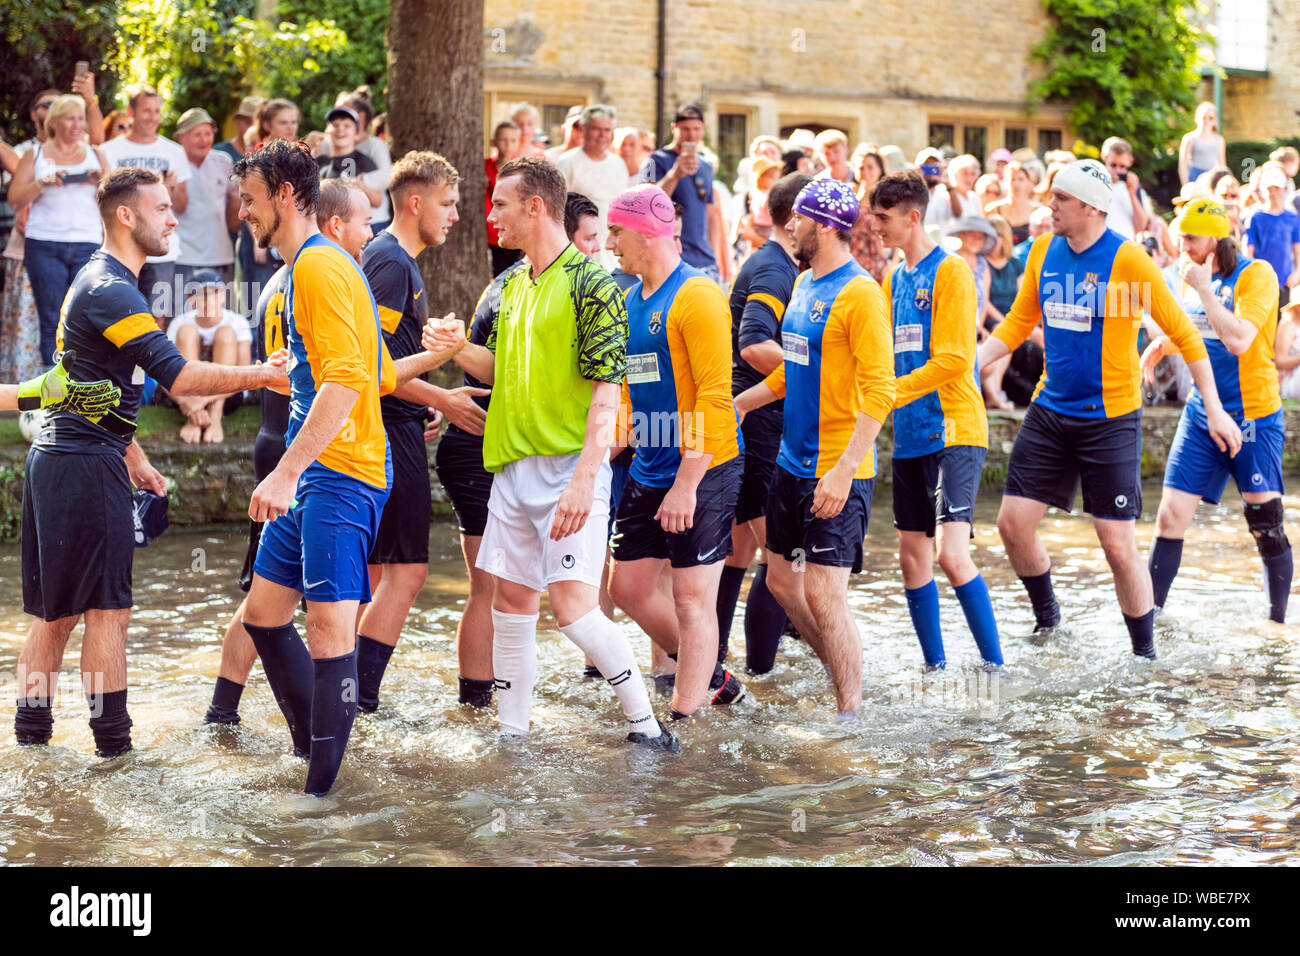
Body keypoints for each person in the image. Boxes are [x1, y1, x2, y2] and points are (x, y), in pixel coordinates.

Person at [14, 167, 288, 758]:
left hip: (60, 460)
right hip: (84, 468)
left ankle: (30, 744)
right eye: (163, 209)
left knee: (53, 616)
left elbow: (86, 384)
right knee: (107, 615)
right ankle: (113, 752)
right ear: (126, 216)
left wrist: (132, 452)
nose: (173, 219)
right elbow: (182, 376)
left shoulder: (92, 277)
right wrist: (262, 373)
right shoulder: (111, 287)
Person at [424, 156, 676, 749]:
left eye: (501, 205)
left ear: (535, 206)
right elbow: (500, 369)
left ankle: (646, 726)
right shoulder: (509, 283)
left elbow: (608, 392)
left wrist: (585, 478)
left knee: (573, 611)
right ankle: (513, 735)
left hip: (570, 468)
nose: (492, 217)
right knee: (512, 603)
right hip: (511, 468)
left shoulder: (593, 284)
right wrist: (459, 347)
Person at [232, 140, 455, 795]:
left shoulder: (319, 270)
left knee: (330, 624)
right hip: (318, 469)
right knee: (264, 616)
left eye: (250, 200)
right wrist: (437, 373)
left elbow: (345, 383)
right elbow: (378, 372)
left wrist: (285, 473)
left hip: (339, 473)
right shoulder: (325, 265)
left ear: (283, 194)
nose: (244, 213)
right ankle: (316, 749)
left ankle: (319, 799)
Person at [974, 159, 1241, 659]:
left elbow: (1184, 334)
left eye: (1060, 200)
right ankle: (1048, 621)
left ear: (1091, 208)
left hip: (1110, 418)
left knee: (1117, 546)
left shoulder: (1128, 260)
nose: (1048, 206)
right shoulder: (1041, 253)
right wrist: (970, 364)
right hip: (1051, 410)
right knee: (1011, 525)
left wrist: (1217, 409)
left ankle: (1145, 655)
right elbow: (1015, 324)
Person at [733, 179, 895, 717]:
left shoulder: (863, 294)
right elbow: (792, 373)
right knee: (781, 581)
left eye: (799, 219)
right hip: (790, 462)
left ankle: (851, 714)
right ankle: (844, 674)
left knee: (826, 594)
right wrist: (741, 404)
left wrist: (846, 471)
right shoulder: (802, 284)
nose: (790, 227)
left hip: (837, 467)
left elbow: (881, 391)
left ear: (824, 225)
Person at [601, 184, 745, 719]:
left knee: (690, 599)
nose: (610, 243)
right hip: (650, 461)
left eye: (616, 232)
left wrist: (687, 482)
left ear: (645, 232)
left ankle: (685, 721)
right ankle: (712, 676)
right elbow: (626, 392)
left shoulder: (699, 296)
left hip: (705, 467)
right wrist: (599, 453)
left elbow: (714, 395)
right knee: (629, 586)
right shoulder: (632, 299)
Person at [357, 152, 490, 713]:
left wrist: (424, 405)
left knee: (387, 570)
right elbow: (375, 363)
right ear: (415, 203)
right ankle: (357, 698)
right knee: (408, 573)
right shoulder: (390, 261)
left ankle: (351, 695)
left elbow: (396, 363)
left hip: (399, 423)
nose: (456, 215)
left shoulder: (398, 261)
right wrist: (442, 399)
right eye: (448, 203)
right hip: (386, 431)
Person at [869, 170, 1002, 670]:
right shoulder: (891, 277)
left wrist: (889, 393)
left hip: (954, 428)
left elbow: (952, 359)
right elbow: (884, 353)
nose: (875, 227)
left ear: (912, 216)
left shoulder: (951, 272)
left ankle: (994, 668)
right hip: (908, 435)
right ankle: (935, 668)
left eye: (883, 218)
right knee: (910, 558)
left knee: (951, 554)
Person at [1140, 198, 1290, 623]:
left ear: (1216, 238)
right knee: (1169, 516)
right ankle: (1148, 622)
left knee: (1265, 524)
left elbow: (1238, 339)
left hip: (1254, 416)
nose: (1182, 246)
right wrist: (1163, 343)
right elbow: (1196, 327)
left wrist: (1205, 288)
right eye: (1180, 236)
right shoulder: (1194, 277)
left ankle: (1276, 624)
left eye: (1191, 238)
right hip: (1202, 414)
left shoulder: (1256, 274)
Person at [720, 172, 810, 675]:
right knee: (783, 565)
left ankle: (717, 664)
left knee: (738, 553)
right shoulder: (776, 269)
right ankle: (760, 672)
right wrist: (816, 377)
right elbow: (754, 343)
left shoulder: (774, 262)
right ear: (795, 218)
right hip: (758, 421)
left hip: (749, 416)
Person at [7, 94, 108, 364]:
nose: (77, 124)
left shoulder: (96, 154)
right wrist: (42, 183)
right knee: (51, 315)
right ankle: (55, 389)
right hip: (44, 243)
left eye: (80, 118)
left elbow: (116, 200)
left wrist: (102, 183)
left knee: (84, 314)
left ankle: (82, 382)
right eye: (70, 118)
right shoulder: (35, 153)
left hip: (87, 242)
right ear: (54, 122)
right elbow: (15, 199)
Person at [98, 85, 191, 324]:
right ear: (131, 111)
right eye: (147, 111)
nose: (153, 117)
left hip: (161, 249)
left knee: (156, 318)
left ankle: (153, 363)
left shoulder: (174, 151)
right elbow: (101, 199)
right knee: (119, 314)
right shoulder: (109, 150)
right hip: (122, 247)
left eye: (157, 111)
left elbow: (182, 205)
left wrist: (171, 189)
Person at [639, 104, 725, 283]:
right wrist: (675, 175)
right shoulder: (653, 161)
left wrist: (715, 256)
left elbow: (711, 215)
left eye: (696, 129)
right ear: (674, 128)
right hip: (670, 255)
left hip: (704, 260)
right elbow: (647, 204)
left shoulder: (706, 166)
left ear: (703, 129)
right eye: (685, 129)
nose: (691, 134)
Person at [163, 269, 251, 443]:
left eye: (215, 293)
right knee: (187, 332)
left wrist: (202, 401)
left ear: (224, 297)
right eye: (202, 294)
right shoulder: (180, 323)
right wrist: (189, 404)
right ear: (191, 300)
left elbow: (246, 377)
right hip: (186, 398)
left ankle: (215, 416)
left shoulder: (237, 322)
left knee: (226, 333)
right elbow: (163, 372)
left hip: (226, 398)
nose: (209, 300)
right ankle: (195, 419)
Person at [173, 108, 239, 291]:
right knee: (183, 315)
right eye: (197, 135)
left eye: (208, 134)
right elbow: (178, 206)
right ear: (181, 137)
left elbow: (235, 214)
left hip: (220, 256)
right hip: (182, 257)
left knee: (221, 316)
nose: (204, 140)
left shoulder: (224, 161)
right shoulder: (172, 160)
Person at [556, 105, 629, 271]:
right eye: (597, 129)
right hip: (579, 248)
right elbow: (556, 208)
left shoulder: (618, 164)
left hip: (611, 248)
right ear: (584, 129)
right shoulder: (568, 162)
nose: (602, 135)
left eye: (607, 130)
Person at [315, 107, 387, 229]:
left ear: (356, 134)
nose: (340, 130)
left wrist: (359, 186)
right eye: (335, 125)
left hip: (353, 227)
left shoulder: (363, 161)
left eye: (347, 126)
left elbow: (378, 201)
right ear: (327, 131)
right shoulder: (319, 161)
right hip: (325, 226)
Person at [1245, 163, 1300, 312]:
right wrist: (1251, 276)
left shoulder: (1292, 217)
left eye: (1277, 188)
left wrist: (1297, 272)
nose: (1273, 192)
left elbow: (1297, 249)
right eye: (1269, 188)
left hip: (1284, 281)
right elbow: (1248, 250)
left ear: (1284, 189)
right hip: (1261, 281)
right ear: (1263, 190)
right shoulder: (1255, 217)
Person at [485, 120, 523, 275]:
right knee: (496, 273)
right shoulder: (485, 165)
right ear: (493, 142)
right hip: (491, 231)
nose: (508, 145)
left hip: (514, 228)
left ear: (518, 143)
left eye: (512, 140)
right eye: (503, 140)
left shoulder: (521, 168)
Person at [1101, 137, 1149, 240]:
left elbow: (1141, 227)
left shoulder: (1133, 185)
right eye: (1113, 165)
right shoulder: (1096, 182)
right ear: (1104, 158)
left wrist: (1132, 193)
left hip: (1125, 245)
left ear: (1130, 162)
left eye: (1122, 166)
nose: (1117, 171)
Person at [987, 160, 1040, 246]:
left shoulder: (1037, 210)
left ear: (1027, 181)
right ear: (1005, 181)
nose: (1016, 183)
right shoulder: (993, 209)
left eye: (1021, 179)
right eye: (1012, 179)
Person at [1178, 103, 1226, 186]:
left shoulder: (1220, 140)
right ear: (1197, 118)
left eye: (1210, 118)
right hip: (1195, 178)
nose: (1206, 121)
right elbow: (1183, 165)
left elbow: (1222, 165)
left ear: (1215, 120)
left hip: (1212, 178)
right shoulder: (1189, 138)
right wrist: (1185, 186)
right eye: (1204, 117)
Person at [213, 96, 263, 163]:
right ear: (237, 122)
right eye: (249, 122)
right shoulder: (219, 152)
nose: (255, 129)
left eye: (260, 124)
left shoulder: (269, 155)